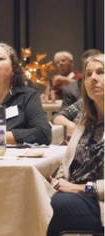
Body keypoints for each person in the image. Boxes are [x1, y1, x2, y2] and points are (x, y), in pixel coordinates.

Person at [47, 54, 104, 236]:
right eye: (88, 74)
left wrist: (80, 188)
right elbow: (70, 164)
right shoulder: (86, 120)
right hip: (75, 194)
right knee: (31, 193)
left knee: (47, 206)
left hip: (98, 199)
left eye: (101, 72)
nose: (93, 78)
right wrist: (56, 182)